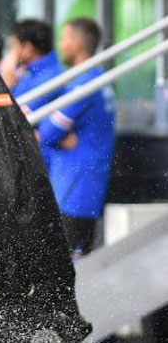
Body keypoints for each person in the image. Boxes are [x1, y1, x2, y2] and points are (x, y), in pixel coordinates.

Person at [38, 18, 114, 258]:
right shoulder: (98, 78)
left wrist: (53, 136)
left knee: (70, 268)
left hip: (74, 189)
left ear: (78, 42)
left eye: (64, 38)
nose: (60, 45)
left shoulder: (84, 84)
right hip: (84, 186)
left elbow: (46, 133)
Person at [2, 19, 62, 113]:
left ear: (28, 48)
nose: (11, 52)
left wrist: (7, 85)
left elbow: (15, 116)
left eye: (14, 45)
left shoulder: (49, 78)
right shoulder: (30, 72)